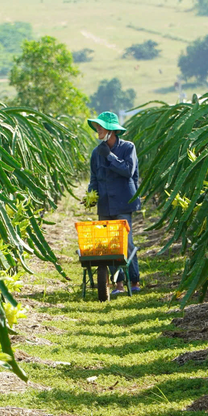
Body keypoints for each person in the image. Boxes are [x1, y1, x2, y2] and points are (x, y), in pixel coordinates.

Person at [87, 111, 141, 297]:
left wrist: (109, 156)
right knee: (108, 246)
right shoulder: (96, 153)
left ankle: (134, 280)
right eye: (97, 127)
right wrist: (91, 196)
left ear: (111, 130)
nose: (98, 130)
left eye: (100, 127)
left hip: (124, 202)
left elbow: (128, 170)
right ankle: (118, 283)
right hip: (105, 204)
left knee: (126, 243)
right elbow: (94, 178)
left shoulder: (128, 148)